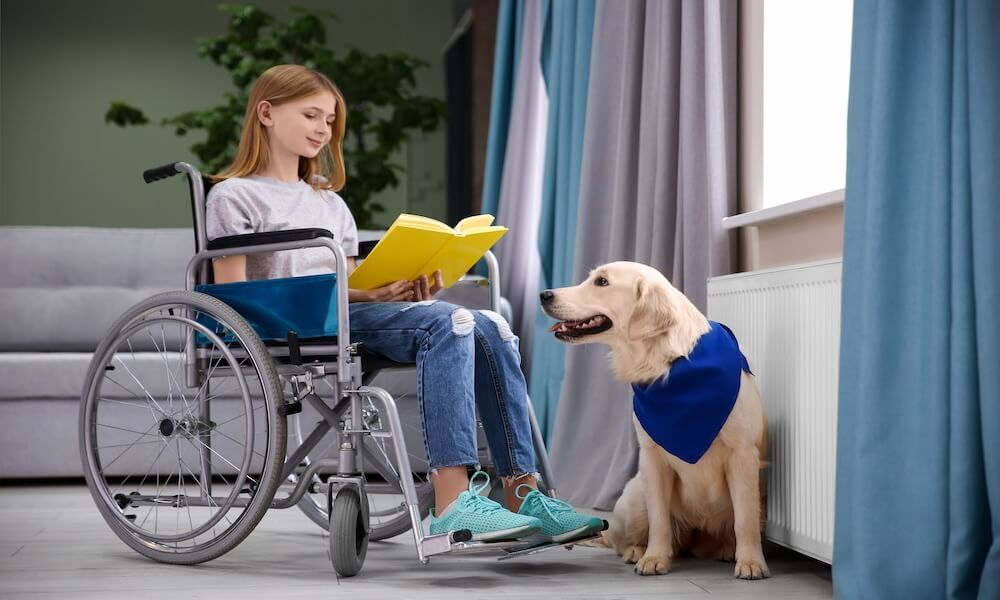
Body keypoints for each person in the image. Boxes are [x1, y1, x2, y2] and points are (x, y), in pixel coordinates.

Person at [205, 64, 602, 543]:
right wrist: (360, 294)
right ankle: (454, 503)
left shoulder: (330, 204)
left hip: (347, 318)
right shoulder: (232, 195)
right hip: (284, 325)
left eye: (330, 121)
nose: (322, 130)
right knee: (451, 322)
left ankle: (524, 494)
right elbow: (233, 295)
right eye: (311, 115)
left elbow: (349, 283)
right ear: (265, 113)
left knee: (490, 324)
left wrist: (389, 288)